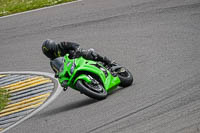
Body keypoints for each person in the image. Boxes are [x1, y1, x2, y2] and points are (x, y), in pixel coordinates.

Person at [42, 39, 112, 66]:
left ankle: (105, 60)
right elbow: (57, 72)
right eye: (47, 53)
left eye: (49, 52)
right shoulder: (53, 62)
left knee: (87, 54)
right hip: (71, 67)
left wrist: (77, 50)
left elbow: (74, 45)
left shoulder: (62, 45)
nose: (49, 54)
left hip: (77, 57)